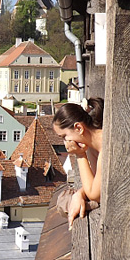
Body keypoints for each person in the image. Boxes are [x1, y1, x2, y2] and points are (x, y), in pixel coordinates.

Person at [52, 97, 104, 229]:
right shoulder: (93, 146)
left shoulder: (105, 146)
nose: (65, 143)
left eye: (64, 137)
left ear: (79, 128)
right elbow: (94, 181)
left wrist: (80, 155)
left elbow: (94, 194)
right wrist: (79, 194)